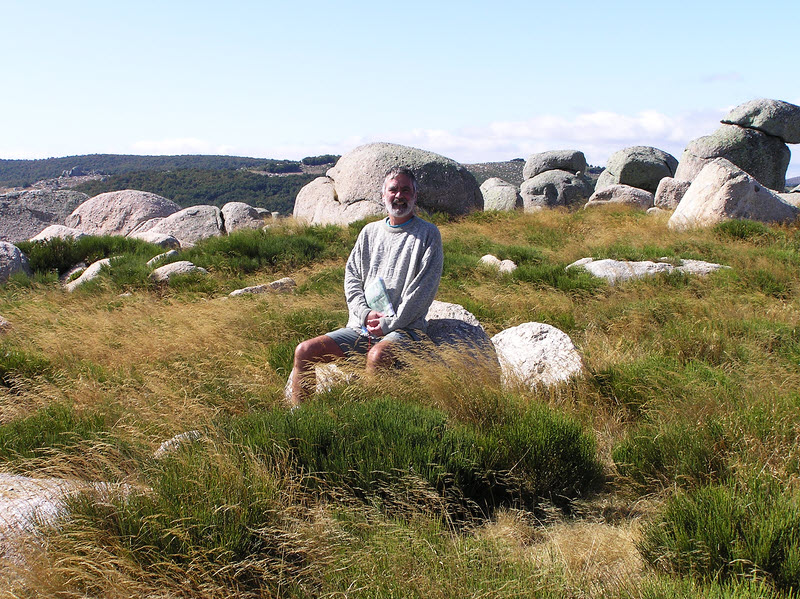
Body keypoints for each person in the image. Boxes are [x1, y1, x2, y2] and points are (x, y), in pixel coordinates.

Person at [291, 166, 443, 405]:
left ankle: (369, 420)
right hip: (361, 327)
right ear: (383, 195)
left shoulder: (428, 234)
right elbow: (352, 276)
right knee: (305, 352)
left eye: (406, 190)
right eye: (393, 190)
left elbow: (422, 291)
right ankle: (299, 419)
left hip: (405, 330)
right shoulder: (369, 232)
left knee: (377, 356)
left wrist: (387, 324)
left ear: (415, 195)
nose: (399, 196)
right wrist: (364, 314)